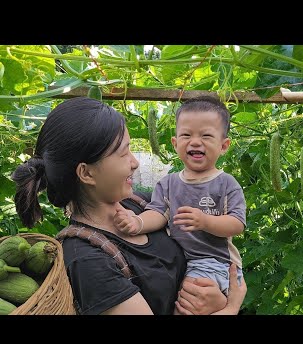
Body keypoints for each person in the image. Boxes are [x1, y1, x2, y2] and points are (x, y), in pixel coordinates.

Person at [11, 96, 246, 315]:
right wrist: (229, 307)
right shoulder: (87, 261)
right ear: (86, 173)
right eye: (124, 154)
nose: (134, 163)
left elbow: (214, 242)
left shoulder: (141, 203)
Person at [114, 96, 246, 311]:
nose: (195, 141)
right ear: (175, 143)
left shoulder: (226, 184)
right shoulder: (168, 183)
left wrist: (205, 221)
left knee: (186, 307)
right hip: (179, 261)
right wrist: (137, 222)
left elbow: (237, 224)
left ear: (224, 146)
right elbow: (157, 213)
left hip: (214, 262)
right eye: (186, 135)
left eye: (206, 136)